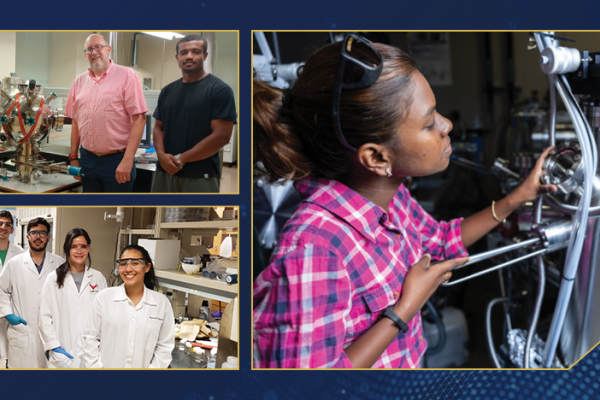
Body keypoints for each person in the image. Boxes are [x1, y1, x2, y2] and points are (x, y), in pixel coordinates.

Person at [252, 34, 558, 369]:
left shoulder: (391, 198)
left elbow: (441, 240)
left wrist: (518, 197)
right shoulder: (315, 250)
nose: (447, 125)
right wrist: (404, 310)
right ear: (377, 158)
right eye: (429, 123)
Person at [152, 34, 237, 193]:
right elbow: (158, 127)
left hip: (199, 176)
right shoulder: (167, 91)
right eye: (184, 53)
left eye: (196, 52)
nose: (189, 56)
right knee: (157, 215)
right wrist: (161, 156)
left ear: (205, 55)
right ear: (177, 57)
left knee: (195, 217)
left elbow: (221, 136)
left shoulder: (219, 90)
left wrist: (180, 159)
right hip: (164, 172)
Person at [65, 33, 148, 193]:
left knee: (117, 211)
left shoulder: (127, 76)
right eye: (89, 49)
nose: (94, 52)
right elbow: (76, 121)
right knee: (92, 209)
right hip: (87, 160)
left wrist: (127, 160)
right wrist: (74, 157)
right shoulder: (79, 82)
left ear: (108, 50)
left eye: (98, 47)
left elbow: (139, 119)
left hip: (117, 160)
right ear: (85, 55)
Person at [82, 245, 174, 368]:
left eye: (135, 263)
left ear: (147, 267)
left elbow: (164, 347)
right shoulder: (104, 298)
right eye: (123, 263)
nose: (128, 269)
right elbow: (90, 339)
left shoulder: (162, 303)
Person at [0, 218, 64, 368]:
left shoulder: (59, 264)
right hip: (23, 331)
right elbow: (1, 290)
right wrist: (8, 314)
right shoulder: (15, 263)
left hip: (51, 331)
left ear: (48, 237)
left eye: (42, 233)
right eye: (34, 233)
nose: (38, 237)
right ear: (27, 236)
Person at [39, 228, 107, 368]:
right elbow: (44, 317)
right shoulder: (53, 279)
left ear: (88, 249)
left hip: (91, 354)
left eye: (83, 246)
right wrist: (54, 347)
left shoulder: (98, 278)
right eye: (74, 247)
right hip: (63, 352)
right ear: (67, 249)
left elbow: (105, 316)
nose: (79, 251)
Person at [0, 211, 24, 368]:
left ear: (12, 229)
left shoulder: (21, 254)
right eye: (0, 223)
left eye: (7, 224)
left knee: (11, 355)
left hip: (10, 312)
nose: (3, 227)